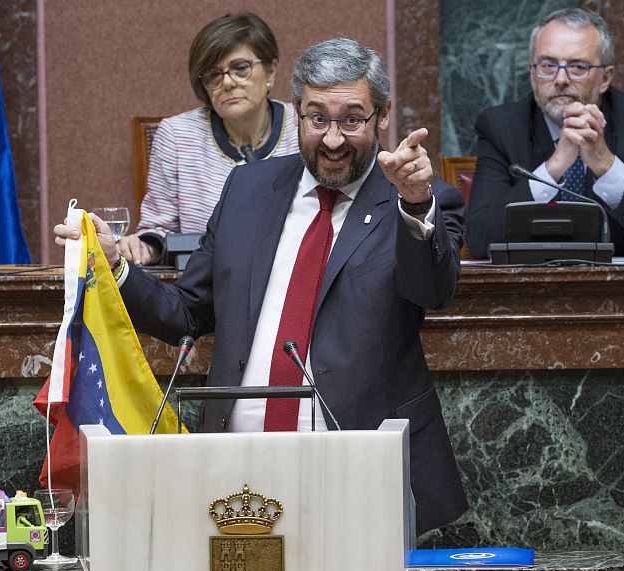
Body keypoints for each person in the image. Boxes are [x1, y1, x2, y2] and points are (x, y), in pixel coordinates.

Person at [56, 39, 468, 534]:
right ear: (296, 114)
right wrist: (114, 266)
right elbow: (189, 312)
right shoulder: (248, 190)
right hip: (235, 469)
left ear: (382, 117)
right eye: (317, 118)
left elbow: (431, 291)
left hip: (361, 466)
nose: (333, 139)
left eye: (351, 119)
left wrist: (416, 203)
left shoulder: (416, 200)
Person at [465, 8, 624, 259]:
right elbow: (479, 240)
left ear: (605, 78)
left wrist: (606, 164)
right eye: (548, 66)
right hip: (528, 291)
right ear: (532, 73)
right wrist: (554, 166)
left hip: (623, 291)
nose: (561, 79)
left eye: (578, 67)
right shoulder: (501, 127)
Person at [118, 12, 299, 266]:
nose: (227, 82)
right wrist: (145, 247)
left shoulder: (303, 127)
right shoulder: (177, 135)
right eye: (214, 74)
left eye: (240, 68)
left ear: (271, 70)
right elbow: (157, 228)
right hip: (206, 288)